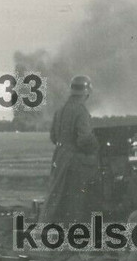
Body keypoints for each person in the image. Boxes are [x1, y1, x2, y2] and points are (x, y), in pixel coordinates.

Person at [40, 75, 99, 225]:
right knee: (75, 200)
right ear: (86, 93)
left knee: (56, 195)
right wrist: (95, 148)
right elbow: (84, 139)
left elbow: (54, 137)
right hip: (74, 161)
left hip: (59, 157)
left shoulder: (60, 110)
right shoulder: (81, 111)